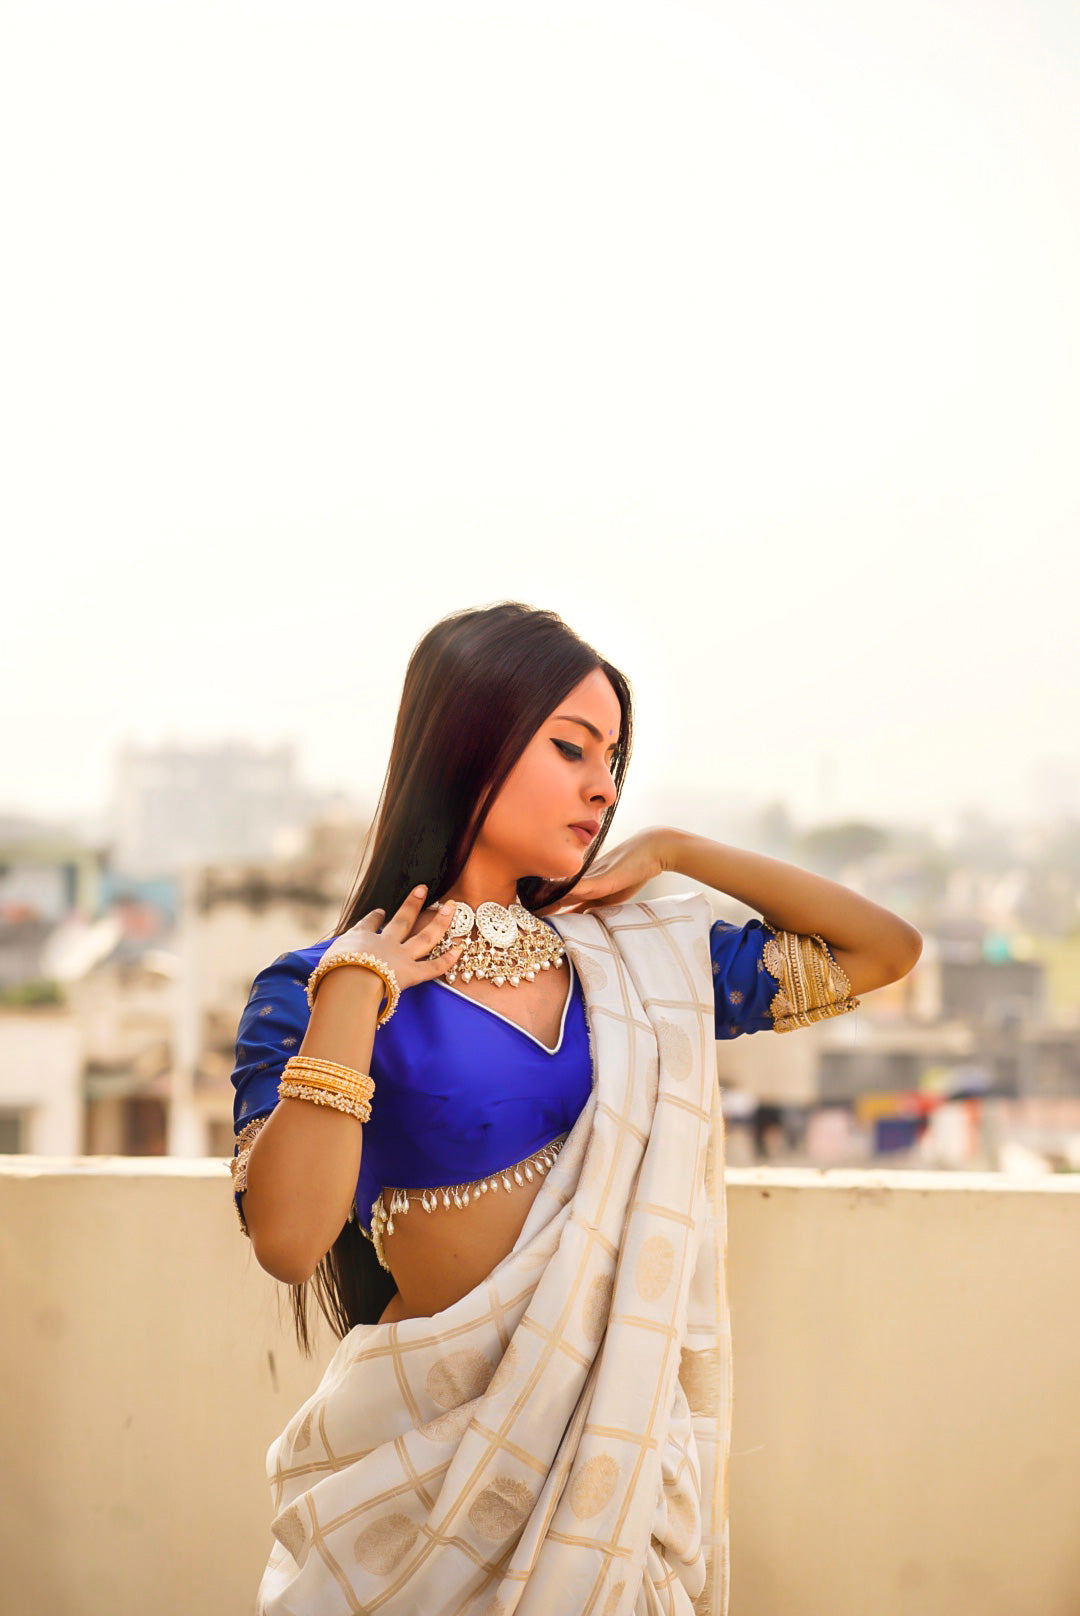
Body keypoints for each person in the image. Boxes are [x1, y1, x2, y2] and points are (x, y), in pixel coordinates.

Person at [229, 601, 922, 1616]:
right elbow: (290, 1243)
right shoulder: (315, 987)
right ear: (468, 741)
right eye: (571, 746)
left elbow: (883, 950)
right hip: (424, 1494)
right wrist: (353, 990)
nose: (603, 784)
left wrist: (677, 849)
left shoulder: (636, 967)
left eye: (614, 757)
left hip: (608, 1472)